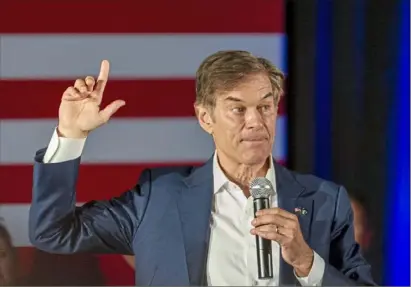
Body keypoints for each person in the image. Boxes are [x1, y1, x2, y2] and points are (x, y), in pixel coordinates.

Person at [29, 50, 375, 286]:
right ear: (205, 117)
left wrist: (306, 263)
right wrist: (71, 136)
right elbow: (52, 232)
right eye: (238, 109)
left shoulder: (323, 200)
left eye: (265, 107)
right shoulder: (158, 197)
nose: (255, 122)